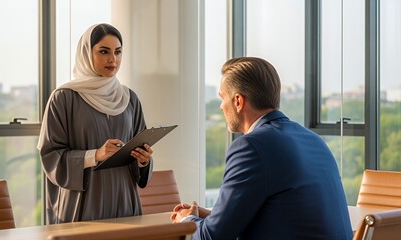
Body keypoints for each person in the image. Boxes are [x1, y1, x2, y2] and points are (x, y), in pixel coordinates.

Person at [171, 57, 353, 239]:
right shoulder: (314, 140)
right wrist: (211, 216)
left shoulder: (250, 147)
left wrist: (187, 221)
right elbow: (279, 217)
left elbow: (213, 237)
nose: (220, 107)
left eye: (222, 98)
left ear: (238, 101)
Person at [38, 23, 153, 224]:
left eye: (118, 52)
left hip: (124, 200)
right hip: (83, 202)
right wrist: (95, 155)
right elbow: (51, 155)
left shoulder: (129, 98)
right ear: (86, 54)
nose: (113, 59)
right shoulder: (64, 98)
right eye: (103, 52)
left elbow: (138, 144)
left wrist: (143, 160)